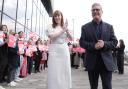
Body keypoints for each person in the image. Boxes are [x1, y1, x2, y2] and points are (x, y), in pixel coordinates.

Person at [79, 3, 118, 89]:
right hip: (92, 62)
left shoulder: (109, 27)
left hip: (106, 63)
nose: (95, 11)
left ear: (102, 12)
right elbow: (82, 42)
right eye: (93, 10)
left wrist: (104, 44)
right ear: (91, 12)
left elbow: (115, 42)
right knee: (93, 87)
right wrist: (93, 46)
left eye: (97, 9)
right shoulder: (85, 27)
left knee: (107, 86)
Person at [46, 10, 72, 89]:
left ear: (61, 16)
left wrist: (66, 30)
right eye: (55, 16)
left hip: (64, 49)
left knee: (65, 70)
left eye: (58, 15)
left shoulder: (64, 26)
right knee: (54, 70)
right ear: (53, 18)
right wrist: (62, 30)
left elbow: (71, 38)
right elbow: (52, 37)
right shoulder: (50, 26)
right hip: (54, 48)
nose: (57, 17)